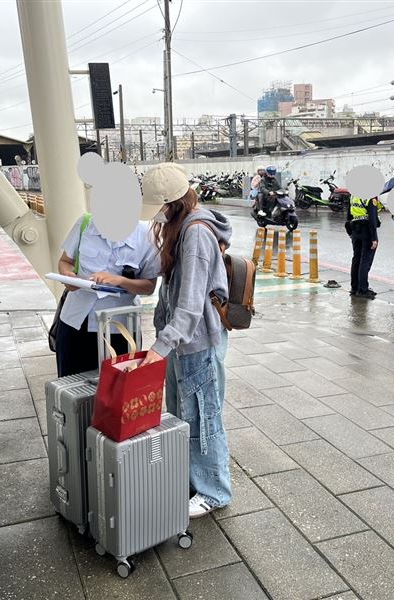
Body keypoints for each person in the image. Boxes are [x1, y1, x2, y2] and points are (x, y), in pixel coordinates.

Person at [139, 163, 233, 519]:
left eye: (159, 208)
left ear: (172, 203)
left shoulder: (194, 235)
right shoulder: (184, 227)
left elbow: (191, 302)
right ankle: (196, 480)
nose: (157, 217)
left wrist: (160, 346)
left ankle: (214, 491)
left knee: (202, 416)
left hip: (195, 342)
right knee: (183, 413)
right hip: (184, 341)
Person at [55, 217, 160, 377]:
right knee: (70, 385)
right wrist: (68, 276)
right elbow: (65, 261)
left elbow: (149, 286)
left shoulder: (146, 234)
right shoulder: (85, 223)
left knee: (116, 389)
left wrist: (120, 280)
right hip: (75, 321)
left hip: (118, 328)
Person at [346, 195, 380, 299]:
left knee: (356, 259)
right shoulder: (370, 198)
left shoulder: (353, 196)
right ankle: (363, 289)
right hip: (367, 231)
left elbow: (348, 216)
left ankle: (354, 287)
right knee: (365, 261)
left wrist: (350, 232)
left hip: (355, 229)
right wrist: (374, 238)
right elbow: (372, 220)